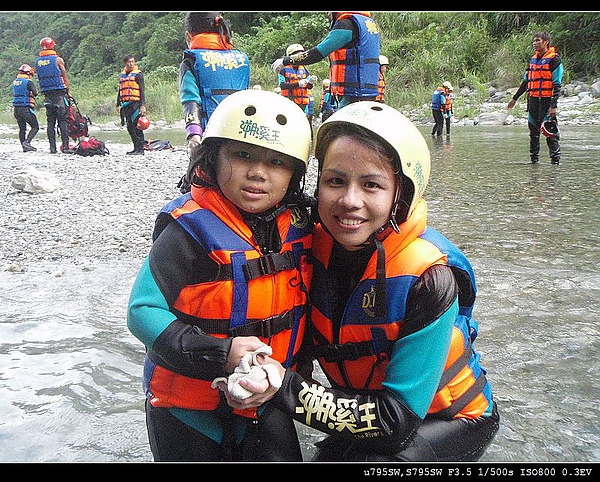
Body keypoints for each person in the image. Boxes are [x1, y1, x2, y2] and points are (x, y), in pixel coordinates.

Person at [230, 101, 500, 462]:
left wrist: (284, 387)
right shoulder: (307, 250)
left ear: (400, 196)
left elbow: (396, 422)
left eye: (371, 184)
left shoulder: (430, 280)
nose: (349, 201)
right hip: (369, 410)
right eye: (335, 181)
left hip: (444, 419)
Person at [126, 89, 314, 462]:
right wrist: (222, 352)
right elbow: (141, 310)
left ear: (294, 174)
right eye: (242, 155)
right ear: (213, 158)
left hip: (265, 396)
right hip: (185, 409)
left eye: (277, 162)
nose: (258, 172)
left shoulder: (302, 224)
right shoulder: (187, 231)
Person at [178, 12, 250, 192]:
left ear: (189, 35)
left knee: (206, 188)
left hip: (210, 137)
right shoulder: (241, 59)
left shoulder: (191, 60)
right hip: (241, 135)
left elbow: (190, 100)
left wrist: (193, 135)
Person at [271, 12, 380, 109]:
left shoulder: (346, 24)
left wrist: (286, 61)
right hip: (367, 93)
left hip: (353, 95)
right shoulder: (367, 23)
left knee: (340, 130)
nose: (328, 14)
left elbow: (317, 53)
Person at [507, 31, 563, 164]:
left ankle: (555, 162)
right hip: (532, 101)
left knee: (550, 134)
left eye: (537, 40)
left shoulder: (554, 60)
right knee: (533, 134)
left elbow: (557, 85)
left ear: (546, 42)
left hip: (546, 102)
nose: (534, 43)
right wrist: (514, 98)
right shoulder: (533, 60)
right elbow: (526, 81)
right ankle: (534, 162)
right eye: (534, 41)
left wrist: (553, 106)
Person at [35, 36, 74, 154]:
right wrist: (68, 91)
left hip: (46, 94)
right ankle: (66, 147)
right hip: (59, 93)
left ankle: (53, 148)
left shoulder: (37, 62)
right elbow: (64, 76)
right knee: (63, 120)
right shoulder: (58, 60)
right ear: (52, 46)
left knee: (50, 121)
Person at [278, 43, 317, 123]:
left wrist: (311, 82)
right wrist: (297, 84)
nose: (299, 56)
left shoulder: (304, 70)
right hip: (289, 102)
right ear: (291, 56)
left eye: (300, 54)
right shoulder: (283, 70)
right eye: (296, 54)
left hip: (302, 104)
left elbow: (309, 87)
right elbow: (282, 86)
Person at [116, 54, 146, 156]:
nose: (131, 63)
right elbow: (120, 90)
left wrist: (143, 105)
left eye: (133, 61)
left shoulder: (138, 75)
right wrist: (118, 104)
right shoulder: (122, 75)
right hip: (126, 105)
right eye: (129, 62)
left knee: (137, 126)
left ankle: (141, 149)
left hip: (136, 104)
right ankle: (135, 147)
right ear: (125, 63)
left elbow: (142, 91)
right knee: (129, 127)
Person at [12, 63, 39, 152]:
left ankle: (24, 146)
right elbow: (35, 93)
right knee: (35, 126)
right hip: (25, 108)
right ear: (28, 73)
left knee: (22, 128)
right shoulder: (28, 82)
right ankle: (27, 142)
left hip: (16, 109)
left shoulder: (15, 82)